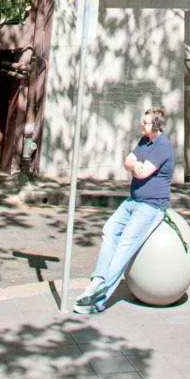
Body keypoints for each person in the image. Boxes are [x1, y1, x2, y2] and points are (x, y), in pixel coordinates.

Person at [75, 107, 175, 314]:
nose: (142, 125)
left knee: (125, 245)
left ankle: (99, 298)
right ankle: (99, 278)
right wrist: (134, 165)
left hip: (150, 207)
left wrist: (135, 166)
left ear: (157, 125)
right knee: (109, 230)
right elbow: (128, 161)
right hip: (132, 201)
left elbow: (143, 172)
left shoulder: (163, 146)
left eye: (146, 122)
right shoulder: (144, 141)